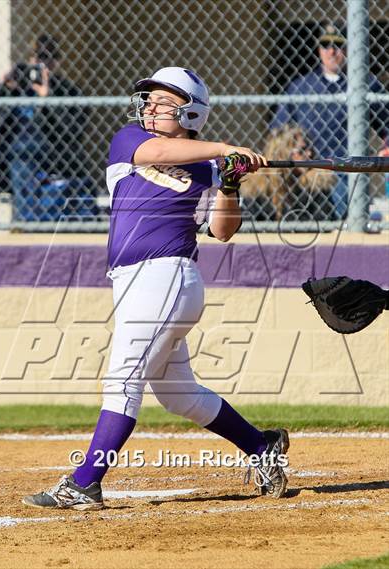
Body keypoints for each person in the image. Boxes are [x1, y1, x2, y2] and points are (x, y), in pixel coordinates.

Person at [22, 66, 290, 510]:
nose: (150, 107)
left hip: (166, 277)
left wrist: (229, 182)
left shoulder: (206, 170)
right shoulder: (130, 141)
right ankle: (262, 447)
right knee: (177, 393)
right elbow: (159, 151)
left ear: (190, 113)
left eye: (164, 102)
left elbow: (222, 230)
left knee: (123, 380)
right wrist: (228, 149)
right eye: (150, 99)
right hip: (139, 283)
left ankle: (85, 482)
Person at [270, 23, 388, 219]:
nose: (332, 51)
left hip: (348, 170)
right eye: (326, 45)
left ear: (348, 49)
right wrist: (294, 154)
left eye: (338, 45)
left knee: (350, 220)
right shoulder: (302, 87)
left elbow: (386, 124)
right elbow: (278, 131)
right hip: (310, 171)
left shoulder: (366, 84)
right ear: (318, 49)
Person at [0, 34, 94, 222]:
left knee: (23, 157)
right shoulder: (13, 88)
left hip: (45, 159)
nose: (42, 63)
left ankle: (23, 223)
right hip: (3, 158)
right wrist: (2, 88)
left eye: (48, 58)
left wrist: (48, 98)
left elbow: (74, 129)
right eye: (38, 57)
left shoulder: (67, 91)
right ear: (30, 60)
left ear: (56, 62)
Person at [240, 124, 336, 221]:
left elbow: (324, 221)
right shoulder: (258, 185)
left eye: (310, 148)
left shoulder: (316, 182)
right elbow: (247, 224)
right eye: (302, 150)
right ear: (281, 155)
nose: (309, 153)